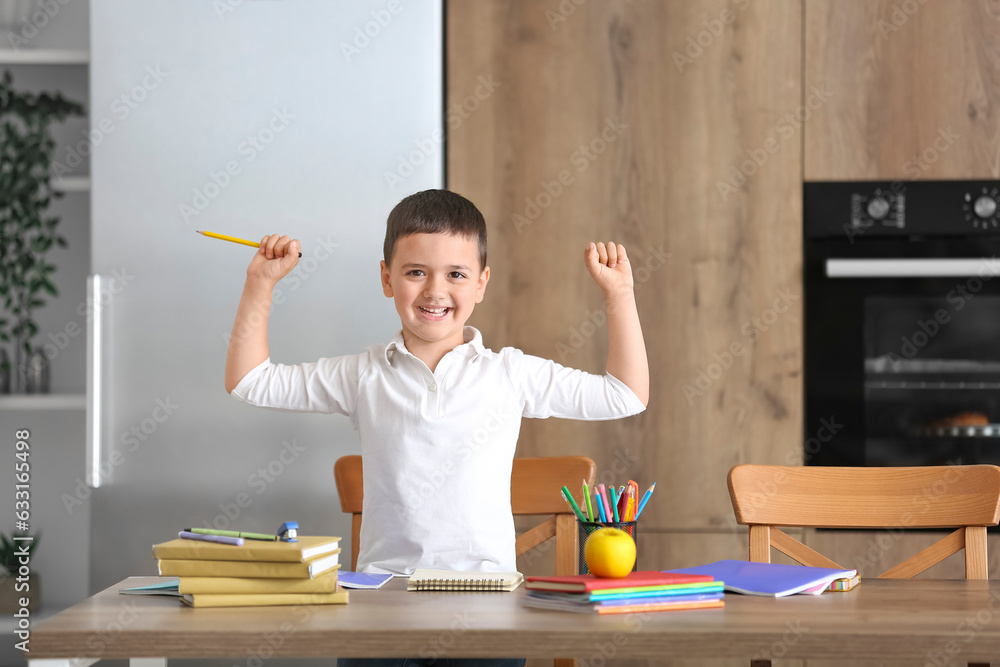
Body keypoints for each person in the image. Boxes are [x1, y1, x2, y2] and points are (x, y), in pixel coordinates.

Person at [225, 189, 649, 667]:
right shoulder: (363, 374)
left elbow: (625, 395)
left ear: (481, 283)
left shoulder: (509, 373)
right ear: (386, 278)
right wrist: (260, 284)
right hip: (383, 599)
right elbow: (249, 381)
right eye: (415, 272)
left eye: (456, 274)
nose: (434, 291)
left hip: (488, 606)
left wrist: (620, 295)